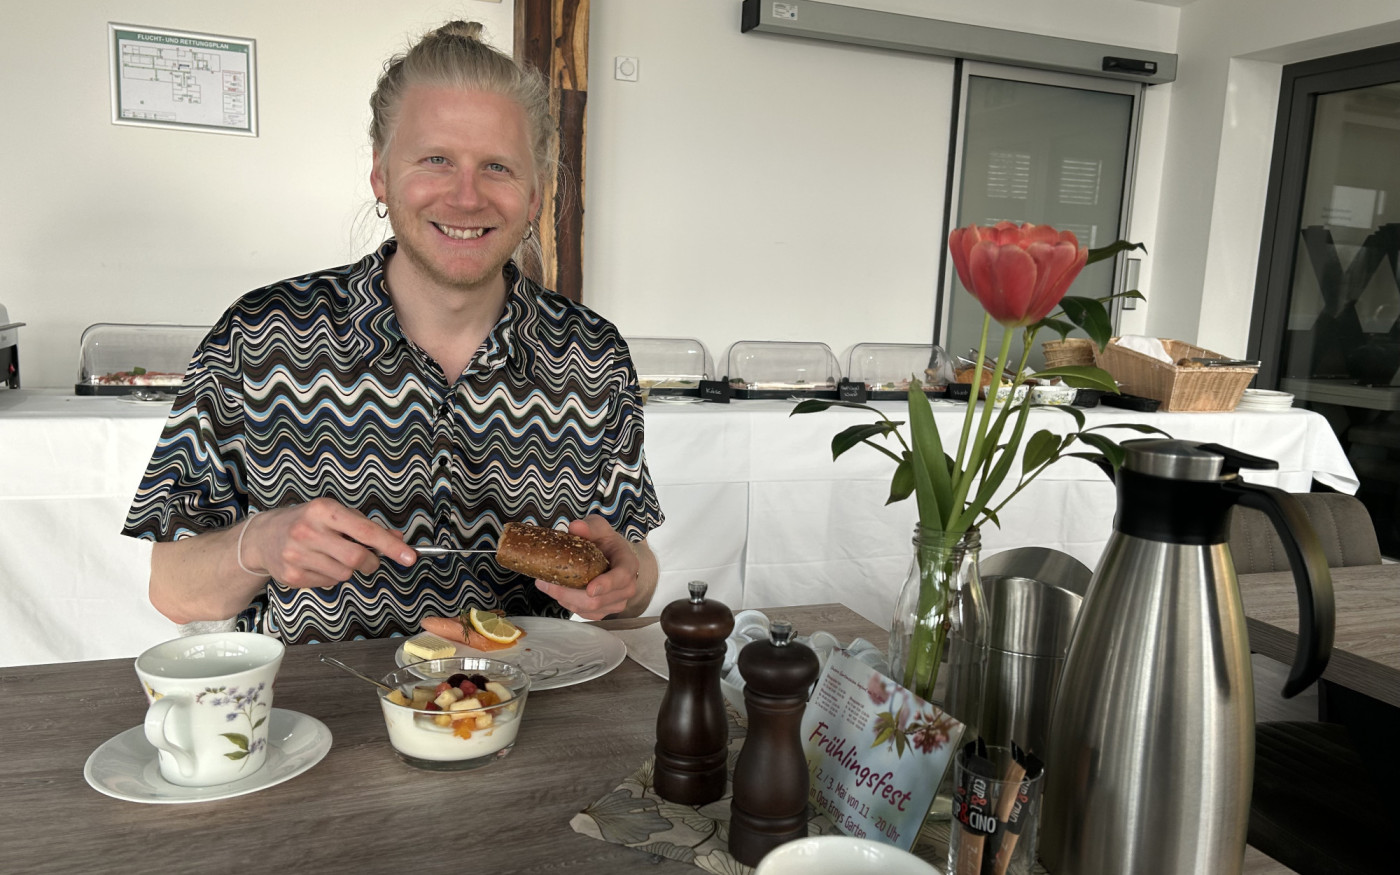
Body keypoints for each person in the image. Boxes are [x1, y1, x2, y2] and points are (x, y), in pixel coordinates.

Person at [122, 21, 663, 644]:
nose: (466, 197)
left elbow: (636, 570)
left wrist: (624, 582)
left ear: (535, 193)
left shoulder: (592, 354)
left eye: (498, 167)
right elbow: (172, 591)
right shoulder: (261, 335)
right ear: (381, 175)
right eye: (436, 159)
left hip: (522, 706)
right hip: (321, 723)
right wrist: (259, 543)